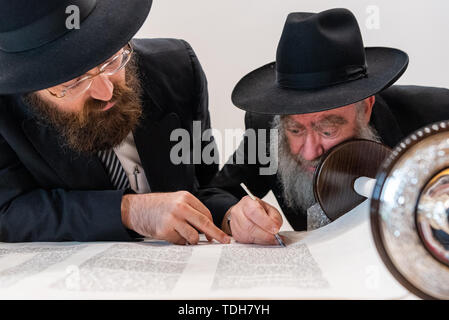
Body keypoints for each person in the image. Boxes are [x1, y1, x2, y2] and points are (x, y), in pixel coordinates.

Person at [0, 0, 231, 245]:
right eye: (75, 81)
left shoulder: (179, 69)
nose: (105, 90)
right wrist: (129, 211)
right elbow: (8, 211)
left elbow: (205, 185)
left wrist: (230, 212)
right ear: (30, 88)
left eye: (110, 61)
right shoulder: (5, 113)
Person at [210, 8, 449, 245]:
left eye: (327, 130)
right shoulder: (266, 128)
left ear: (366, 108)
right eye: (296, 130)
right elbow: (215, 193)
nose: (310, 151)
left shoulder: (436, 116)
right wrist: (234, 215)